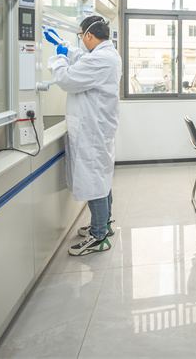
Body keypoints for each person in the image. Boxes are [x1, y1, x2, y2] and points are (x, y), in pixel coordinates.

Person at [44, 16, 122, 256]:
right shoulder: (107, 54)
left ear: (88, 35)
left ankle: (98, 237)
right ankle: (104, 224)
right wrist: (66, 47)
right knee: (101, 177)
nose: (81, 41)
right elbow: (83, 59)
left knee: (94, 181)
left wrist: (59, 56)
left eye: (80, 36)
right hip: (97, 128)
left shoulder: (101, 59)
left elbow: (67, 79)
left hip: (92, 130)